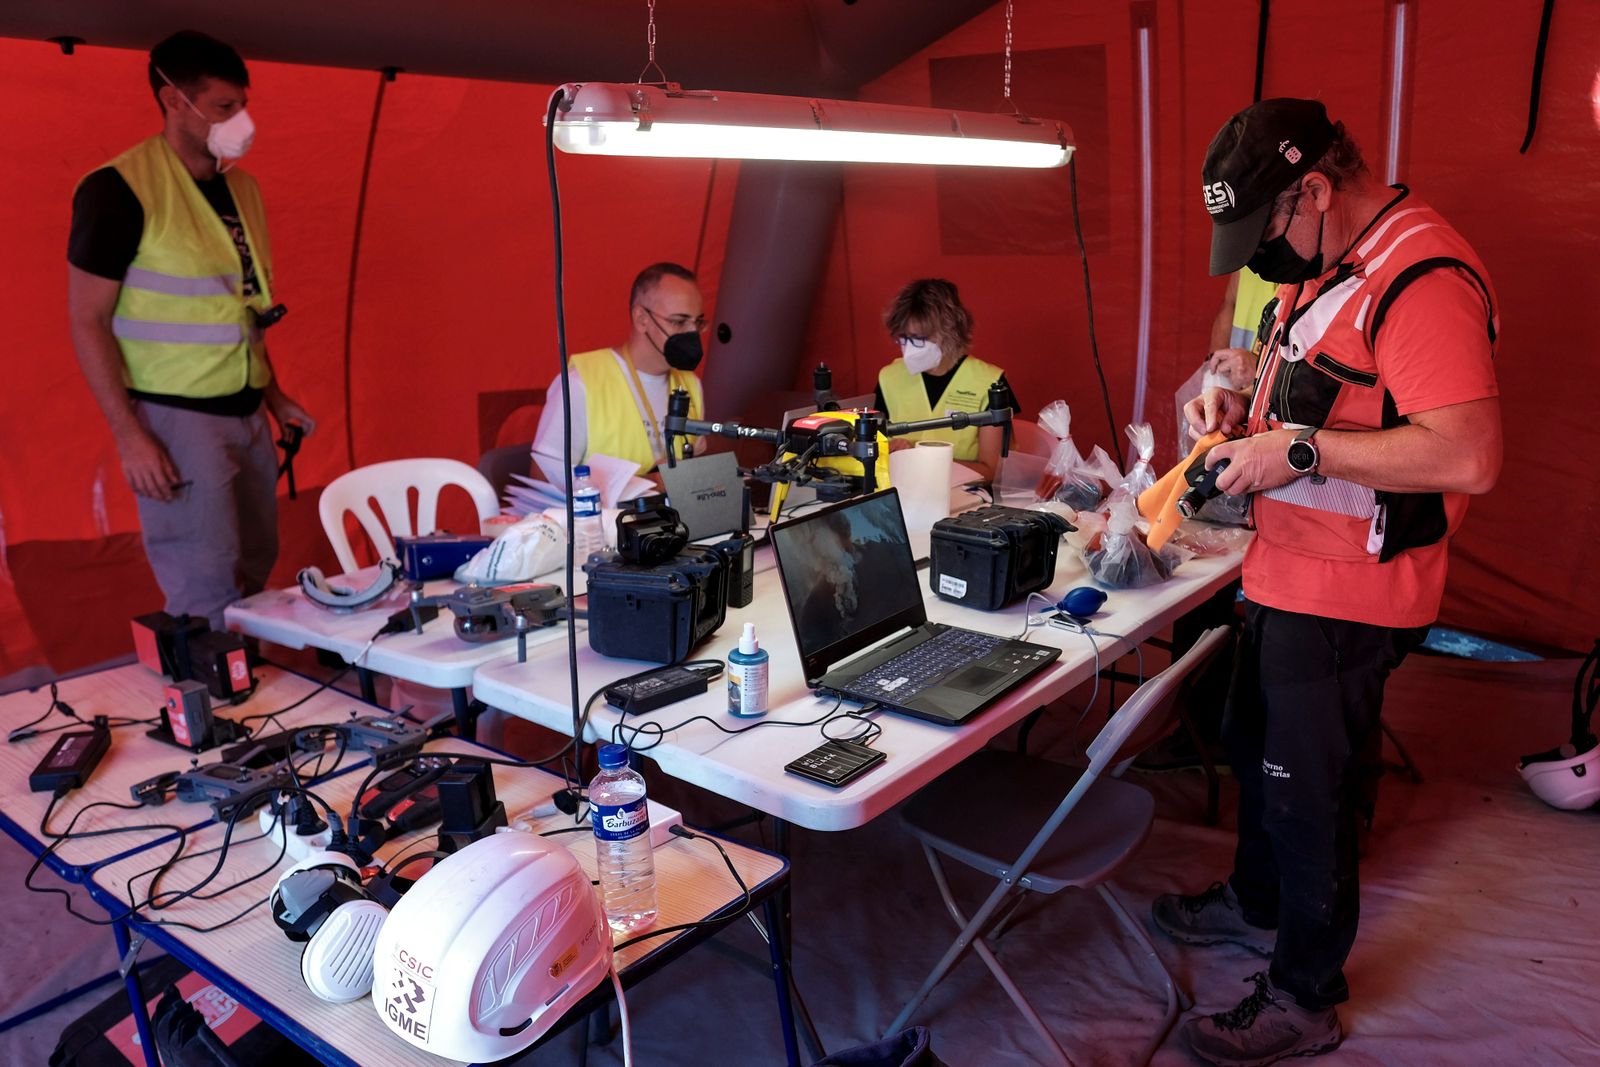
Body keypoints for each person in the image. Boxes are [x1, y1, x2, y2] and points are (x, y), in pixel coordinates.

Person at [1153, 98, 1501, 1066]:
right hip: (1284, 564)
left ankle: (1303, 995)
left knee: (1307, 792)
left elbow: (1467, 455)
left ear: (1311, 190)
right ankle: (1254, 901)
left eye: (1261, 231)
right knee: (1252, 743)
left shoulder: (1421, 275)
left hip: (1352, 586)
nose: (1257, 256)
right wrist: (1236, 381)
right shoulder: (1327, 266)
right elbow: (1329, 380)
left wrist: (1296, 449)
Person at [67, 30, 314, 630]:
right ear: (175, 100)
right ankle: (212, 708)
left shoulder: (243, 191)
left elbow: (245, 309)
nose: (241, 122)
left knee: (256, 561)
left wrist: (275, 397)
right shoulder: (118, 191)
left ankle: (245, 685)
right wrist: (130, 435)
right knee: (205, 577)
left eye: (243, 105)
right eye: (225, 107)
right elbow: (87, 319)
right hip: (175, 418)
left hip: (247, 411)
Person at [531, 262, 706, 484]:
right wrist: (648, 485)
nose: (692, 333)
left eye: (698, 322)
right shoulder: (581, 384)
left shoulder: (691, 386)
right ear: (641, 319)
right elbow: (543, 481)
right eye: (679, 322)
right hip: (604, 518)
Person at [874, 278, 1017, 483]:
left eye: (918, 339)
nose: (908, 349)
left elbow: (991, 473)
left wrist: (920, 456)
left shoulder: (990, 382)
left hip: (969, 495)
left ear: (950, 334)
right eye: (903, 339)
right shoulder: (889, 377)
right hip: (904, 488)